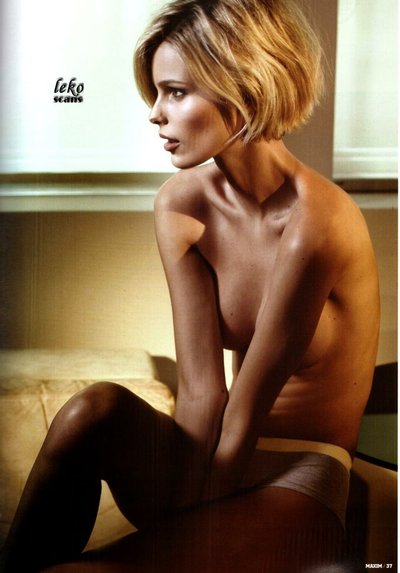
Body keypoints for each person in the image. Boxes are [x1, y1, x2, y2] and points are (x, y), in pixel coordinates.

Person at [0, 0, 380, 571]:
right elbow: (203, 392)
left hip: (298, 473)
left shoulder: (317, 221)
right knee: (94, 409)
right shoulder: (181, 205)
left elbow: (247, 405)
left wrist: (190, 519)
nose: (155, 114)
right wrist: (180, 494)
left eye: (175, 93)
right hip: (212, 451)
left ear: (243, 90)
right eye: (156, 94)